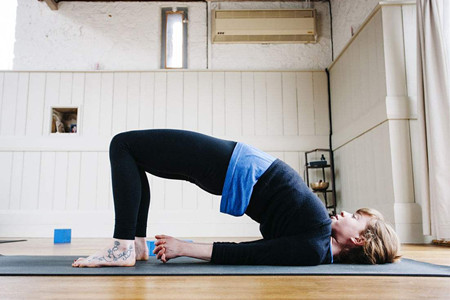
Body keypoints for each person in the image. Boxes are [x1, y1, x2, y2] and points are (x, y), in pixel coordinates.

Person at [72, 129, 401, 267]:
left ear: (359, 240)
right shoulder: (314, 241)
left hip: (233, 166)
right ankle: (135, 245)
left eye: (355, 218)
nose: (344, 213)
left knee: (124, 146)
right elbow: (259, 252)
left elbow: (250, 254)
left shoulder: (313, 245)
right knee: (134, 153)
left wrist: (184, 248)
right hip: (237, 167)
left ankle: (123, 246)